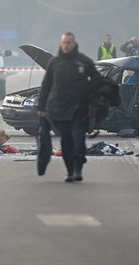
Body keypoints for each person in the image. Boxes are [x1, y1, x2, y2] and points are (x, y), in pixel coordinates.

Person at [37, 32, 99, 182]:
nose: (66, 45)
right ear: (61, 44)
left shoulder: (84, 61)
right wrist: (41, 106)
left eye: (68, 42)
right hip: (60, 109)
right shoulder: (55, 62)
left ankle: (78, 169)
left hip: (80, 109)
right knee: (66, 142)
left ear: (74, 43)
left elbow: (97, 81)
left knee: (78, 140)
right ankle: (70, 171)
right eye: (64, 42)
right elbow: (46, 86)